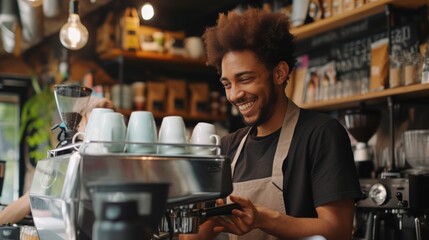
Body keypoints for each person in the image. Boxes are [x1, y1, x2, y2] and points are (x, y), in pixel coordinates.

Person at [196, 8, 362, 240]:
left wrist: (264, 220)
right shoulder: (228, 147)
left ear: (279, 73)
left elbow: (338, 230)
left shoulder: (321, 134)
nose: (234, 95)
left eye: (245, 79)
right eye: (227, 84)